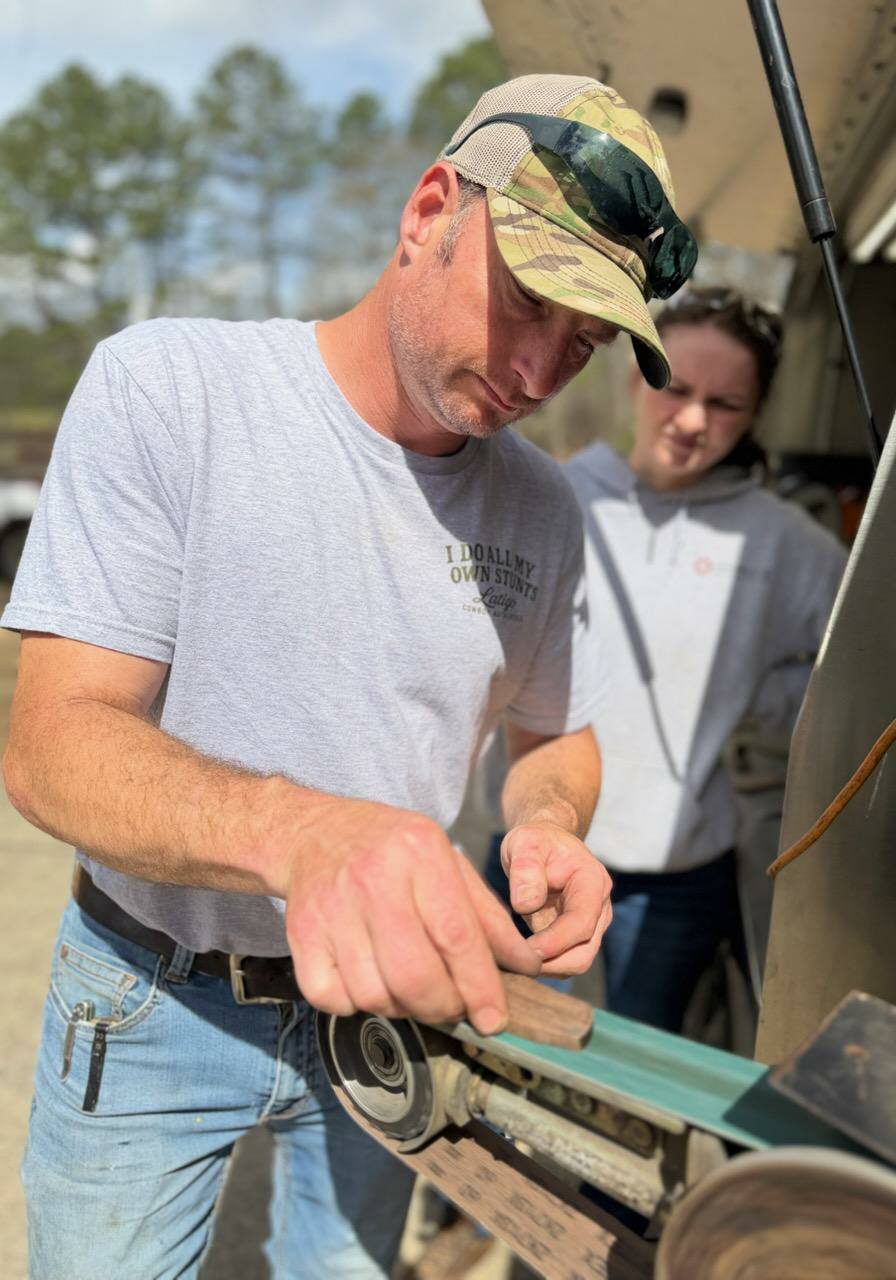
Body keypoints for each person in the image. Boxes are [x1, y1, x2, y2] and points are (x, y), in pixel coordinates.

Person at [1, 74, 697, 1279]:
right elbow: (52, 742)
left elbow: (554, 731)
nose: (538, 371)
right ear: (430, 209)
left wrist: (547, 823)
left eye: (580, 344)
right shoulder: (173, 390)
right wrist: (303, 833)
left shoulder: (541, 506)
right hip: (151, 989)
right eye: (528, 299)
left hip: (390, 1011)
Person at [486, 286, 848, 1033]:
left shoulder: (784, 543)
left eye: (725, 404)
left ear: (756, 415)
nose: (691, 421)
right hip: (538, 845)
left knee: (635, 1072)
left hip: (680, 873)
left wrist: (764, 703)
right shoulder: (547, 495)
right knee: (508, 1042)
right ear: (634, 377)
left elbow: (853, 670)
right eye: (675, 388)